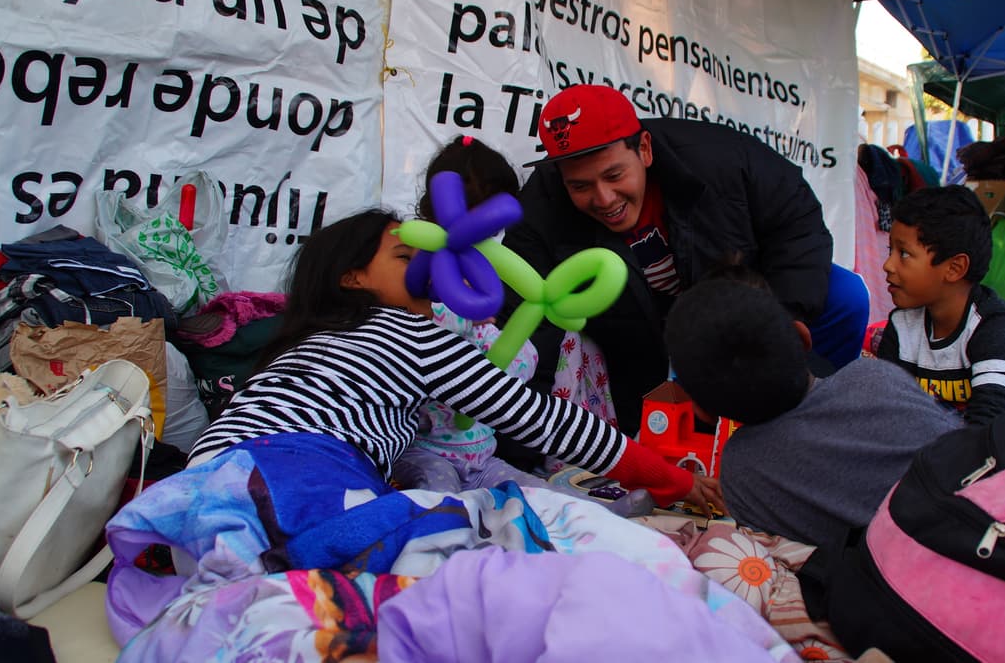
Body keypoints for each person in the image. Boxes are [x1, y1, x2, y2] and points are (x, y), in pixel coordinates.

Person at [188, 207, 723, 513]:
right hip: (293, 476)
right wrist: (671, 480)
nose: (430, 269)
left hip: (200, 478)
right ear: (351, 278)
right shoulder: (407, 332)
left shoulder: (305, 342)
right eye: (406, 257)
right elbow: (543, 419)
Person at [505, 83, 868, 443]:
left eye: (614, 176)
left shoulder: (724, 159)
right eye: (580, 186)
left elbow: (797, 228)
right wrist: (520, 433)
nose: (604, 199)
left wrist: (775, 326)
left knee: (845, 295)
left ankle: (815, 417)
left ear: (644, 149)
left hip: (737, 304)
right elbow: (527, 314)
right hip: (633, 337)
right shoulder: (542, 203)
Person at [390, 135, 654, 516]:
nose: (486, 240)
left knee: (531, 489)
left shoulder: (486, 282)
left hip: (480, 453)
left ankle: (595, 515)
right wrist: (458, 316)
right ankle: (443, 537)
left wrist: (497, 338)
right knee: (443, 498)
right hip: (425, 452)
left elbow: (513, 369)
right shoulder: (414, 283)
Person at [664, 278, 959, 550]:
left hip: (891, 582)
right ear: (804, 337)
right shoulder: (876, 377)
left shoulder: (741, 473)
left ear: (702, 411)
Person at [876, 185, 1005, 426]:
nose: (888, 265)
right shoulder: (902, 324)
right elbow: (885, 406)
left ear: (954, 268)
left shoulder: (995, 327)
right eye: (890, 250)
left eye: (903, 253)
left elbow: (988, 424)